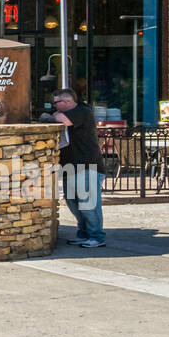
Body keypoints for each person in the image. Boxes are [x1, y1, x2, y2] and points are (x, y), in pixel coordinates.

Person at [48, 87, 106, 248]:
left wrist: (53, 116)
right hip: (70, 167)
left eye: (56, 103)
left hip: (88, 166)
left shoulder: (82, 111)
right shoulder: (70, 112)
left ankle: (97, 236)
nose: (54, 106)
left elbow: (62, 120)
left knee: (89, 204)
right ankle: (83, 233)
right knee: (73, 203)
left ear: (66, 102)